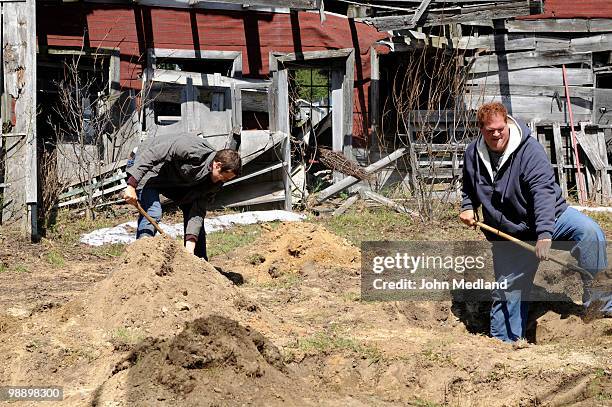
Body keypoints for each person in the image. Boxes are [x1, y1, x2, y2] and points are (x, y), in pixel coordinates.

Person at [459, 102, 611, 343]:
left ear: (507, 124)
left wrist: (544, 235)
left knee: (589, 232)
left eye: (501, 128)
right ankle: (505, 346)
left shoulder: (529, 150)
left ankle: (600, 306)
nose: (497, 134)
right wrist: (468, 207)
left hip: (551, 217)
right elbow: (468, 185)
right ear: (481, 129)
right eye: (491, 131)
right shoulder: (472, 154)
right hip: (510, 233)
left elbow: (543, 194)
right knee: (508, 291)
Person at [122, 134, 241, 260]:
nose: (223, 181)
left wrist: (189, 249)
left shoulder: (214, 182)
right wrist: (131, 186)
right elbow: (152, 154)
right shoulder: (191, 148)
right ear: (217, 165)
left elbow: (197, 210)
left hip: (171, 179)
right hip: (145, 165)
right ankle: (141, 257)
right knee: (153, 211)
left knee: (195, 218)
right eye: (224, 177)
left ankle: (197, 265)